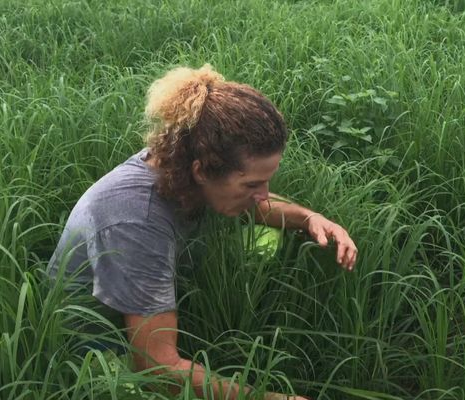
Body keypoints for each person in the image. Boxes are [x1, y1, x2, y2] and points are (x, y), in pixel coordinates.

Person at [49, 64, 357, 400]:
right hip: (94, 339)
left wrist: (311, 218)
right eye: (252, 183)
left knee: (266, 237)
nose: (265, 194)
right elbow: (156, 368)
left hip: (147, 286)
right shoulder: (137, 220)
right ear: (201, 171)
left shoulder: (182, 164)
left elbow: (260, 207)